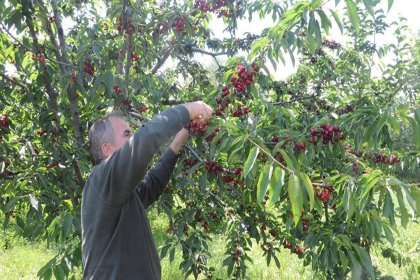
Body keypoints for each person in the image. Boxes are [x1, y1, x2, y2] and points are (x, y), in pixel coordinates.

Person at [81, 101, 213, 279]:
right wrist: (189, 109)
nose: (133, 138)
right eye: (128, 134)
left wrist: (179, 139)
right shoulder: (101, 180)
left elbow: (152, 185)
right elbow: (146, 138)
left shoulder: (119, 191)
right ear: (107, 149)